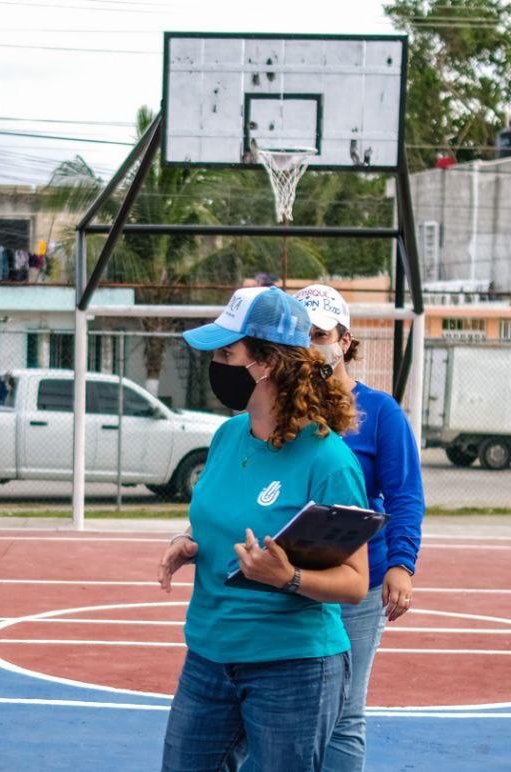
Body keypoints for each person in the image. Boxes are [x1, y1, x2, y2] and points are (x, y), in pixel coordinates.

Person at [157, 286, 371, 772]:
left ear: (269, 363)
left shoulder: (329, 460)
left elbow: (355, 582)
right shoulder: (226, 436)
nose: (215, 364)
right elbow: (217, 518)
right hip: (209, 655)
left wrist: (287, 577)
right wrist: (187, 543)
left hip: (292, 668)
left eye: (226, 354)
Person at [294, 285, 426, 771]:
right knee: (277, 701)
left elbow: (405, 495)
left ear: (345, 341)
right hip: (286, 577)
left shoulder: (381, 413)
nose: (311, 345)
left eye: (320, 334)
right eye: (301, 335)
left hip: (358, 583)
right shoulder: (283, 411)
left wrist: (401, 565)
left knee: (344, 712)